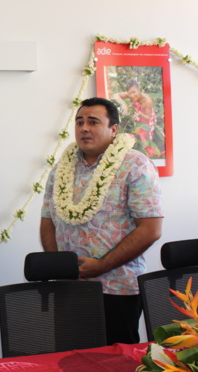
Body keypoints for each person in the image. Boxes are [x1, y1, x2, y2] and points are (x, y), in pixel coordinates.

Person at [40, 97, 163, 345]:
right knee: (69, 359)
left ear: (114, 129)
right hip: (69, 286)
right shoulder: (61, 168)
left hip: (118, 289)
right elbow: (47, 222)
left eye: (93, 122)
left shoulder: (136, 165)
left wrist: (100, 266)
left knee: (117, 363)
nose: (84, 128)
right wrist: (60, 268)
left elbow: (150, 230)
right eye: (80, 122)